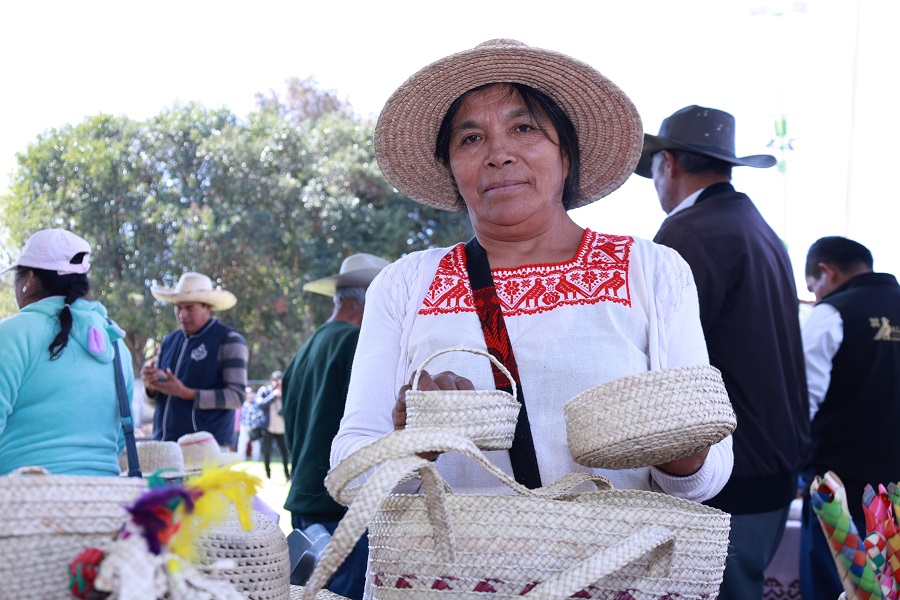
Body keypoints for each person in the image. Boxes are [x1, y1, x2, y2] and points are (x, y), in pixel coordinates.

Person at [330, 39, 735, 595]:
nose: (498, 154)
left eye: (525, 130)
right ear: (451, 167)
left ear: (566, 155)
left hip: (618, 577)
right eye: (471, 138)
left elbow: (705, 481)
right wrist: (410, 442)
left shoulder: (651, 271)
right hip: (447, 578)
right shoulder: (405, 284)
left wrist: (685, 455)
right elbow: (350, 469)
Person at [635, 105, 810, 599]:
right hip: (774, 461)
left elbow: (661, 363)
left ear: (667, 163)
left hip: (728, 469)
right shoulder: (757, 229)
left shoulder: (690, 233)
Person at [282, 252, 390, 600]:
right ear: (369, 303)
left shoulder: (306, 348)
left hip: (304, 500)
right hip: (339, 508)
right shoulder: (353, 343)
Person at [798, 236, 900, 599]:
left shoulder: (832, 313)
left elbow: (802, 404)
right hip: (897, 496)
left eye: (814, 287)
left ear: (826, 271)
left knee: (834, 589)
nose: (816, 296)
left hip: (839, 495)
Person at [0, 228, 133, 475]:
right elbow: (121, 437)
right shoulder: (115, 341)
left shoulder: (10, 335)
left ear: (29, 279)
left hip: (23, 504)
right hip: (104, 501)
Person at [141, 272, 248, 449]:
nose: (182, 314)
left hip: (207, 449)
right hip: (164, 446)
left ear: (208, 308)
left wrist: (185, 393)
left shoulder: (229, 340)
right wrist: (151, 385)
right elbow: (154, 401)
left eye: (189, 308)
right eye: (178, 307)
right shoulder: (169, 341)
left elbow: (236, 397)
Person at [256, 370, 290, 480]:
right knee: (266, 451)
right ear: (272, 381)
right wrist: (273, 396)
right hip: (268, 427)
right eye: (277, 383)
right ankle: (268, 474)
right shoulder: (265, 391)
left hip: (282, 428)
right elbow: (260, 404)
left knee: (285, 453)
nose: (279, 386)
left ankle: (287, 474)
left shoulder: (285, 392)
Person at [236, 385, 262, 461]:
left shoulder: (257, 404)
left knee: (256, 444)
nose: (250, 396)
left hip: (254, 428)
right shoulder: (244, 403)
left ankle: (255, 459)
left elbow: (259, 416)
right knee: (242, 444)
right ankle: (240, 459)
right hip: (244, 426)